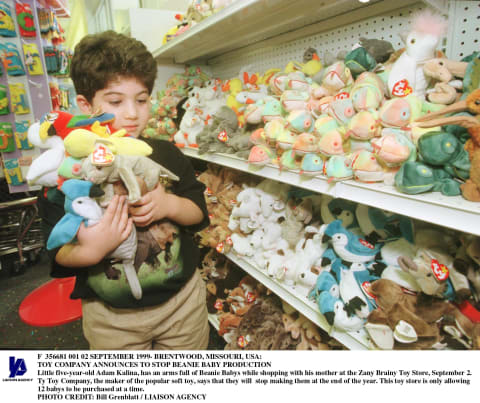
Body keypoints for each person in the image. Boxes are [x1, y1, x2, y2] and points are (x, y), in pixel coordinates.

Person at [38, 30, 210, 350]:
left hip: (182, 307)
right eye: (116, 101)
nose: (132, 113)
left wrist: (168, 204)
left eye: (142, 99)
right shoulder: (68, 170)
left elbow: (198, 210)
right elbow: (56, 248)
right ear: (86, 104)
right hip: (111, 320)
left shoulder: (165, 154)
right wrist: (93, 249)